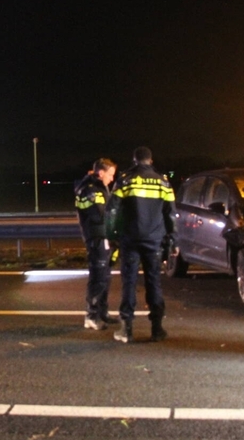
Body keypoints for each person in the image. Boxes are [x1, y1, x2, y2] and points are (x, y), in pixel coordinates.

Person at [106, 147, 176, 343]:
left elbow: (112, 210)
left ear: (134, 161)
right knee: (154, 282)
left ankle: (126, 329)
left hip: (130, 239)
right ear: (150, 161)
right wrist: (173, 239)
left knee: (129, 283)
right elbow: (170, 213)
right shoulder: (163, 182)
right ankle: (157, 329)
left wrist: (111, 235)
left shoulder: (125, 180)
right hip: (154, 240)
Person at [75, 158, 118, 330]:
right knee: (98, 278)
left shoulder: (99, 188)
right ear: (101, 173)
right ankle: (91, 316)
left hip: (104, 238)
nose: (112, 179)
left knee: (105, 277)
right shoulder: (90, 191)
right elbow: (101, 216)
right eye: (110, 174)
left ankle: (102, 312)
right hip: (97, 238)